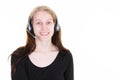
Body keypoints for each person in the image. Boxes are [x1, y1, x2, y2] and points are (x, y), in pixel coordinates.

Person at [11, 5, 74, 80]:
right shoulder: (19, 56)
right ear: (30, 27)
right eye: (38, 23)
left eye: (48, 22)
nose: (44, 28)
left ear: (55, 26)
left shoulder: (65, 56)